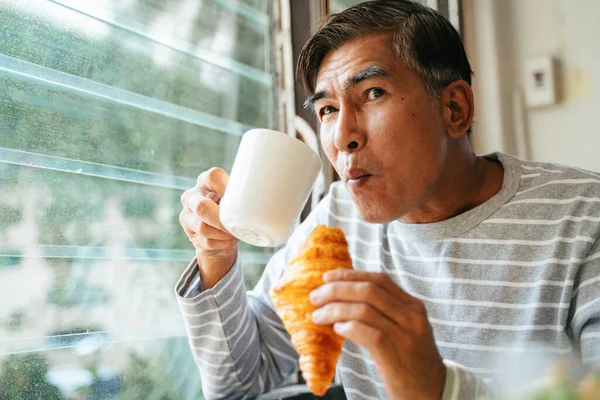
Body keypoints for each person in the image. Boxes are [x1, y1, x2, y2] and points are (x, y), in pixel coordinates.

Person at [176, 1, 600, 399]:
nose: (343, 137)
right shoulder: (338, 219)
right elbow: (243, 383)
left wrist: (438, 387)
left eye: (373, 93)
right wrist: (217, 260)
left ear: (455, 108)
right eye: (326, 110)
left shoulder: (585, 219)